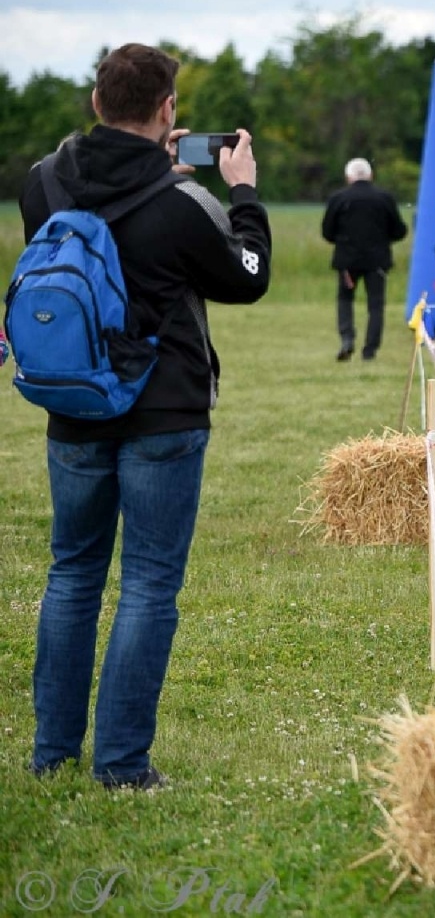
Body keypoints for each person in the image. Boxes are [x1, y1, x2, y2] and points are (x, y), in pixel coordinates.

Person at [20, 43, 272, 789]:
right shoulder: (181, 204)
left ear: (97, 104)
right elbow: (246, 278)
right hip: (163, 412)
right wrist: (244, 195)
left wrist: (161, 176)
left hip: (72, 405)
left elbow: (92, 195)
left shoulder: (44, 182)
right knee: (149, 584)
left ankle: (51, 754)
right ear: (168, 111)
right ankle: (123, 765)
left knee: (72, 576)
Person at [321, 157, 407, 361]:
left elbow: (327, 232)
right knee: (376, 304)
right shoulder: (384, 198)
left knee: (345, 300)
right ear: (371, 175)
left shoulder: (338, 198)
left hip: (347, 261)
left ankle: (347, 339)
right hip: (377, 260)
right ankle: (370, 349)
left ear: (348, 177)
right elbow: (399, 230)